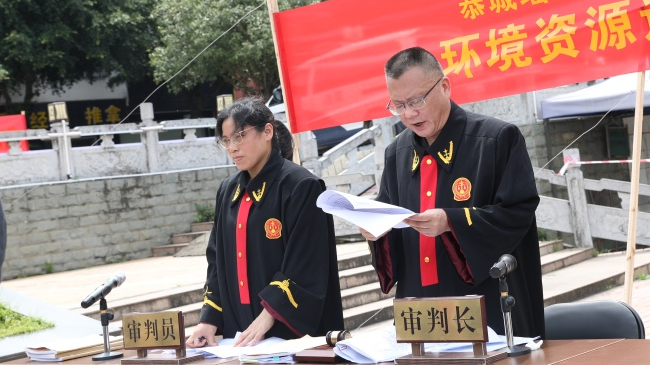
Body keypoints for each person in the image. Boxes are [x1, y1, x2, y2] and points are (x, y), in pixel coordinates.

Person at [359, 47, 544, 337]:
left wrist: (451, 221)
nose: (409, 114)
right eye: (398, 105)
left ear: (444, 86)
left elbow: (518, 212)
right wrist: (376, 231)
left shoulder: (496, 140)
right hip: (418, 312)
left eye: (417, 101)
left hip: (483, 307)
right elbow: (389, 216)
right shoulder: (397, 153)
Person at [187, 98, 343, 347]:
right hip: (239, 334)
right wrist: (208, 320)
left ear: (267, 131)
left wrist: (270, 313)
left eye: (239, 136)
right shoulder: (227, 190)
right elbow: (216, 262)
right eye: (226, 141)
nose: (232, 147)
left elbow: (307, 264)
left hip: (289, 331)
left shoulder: (301, 186)